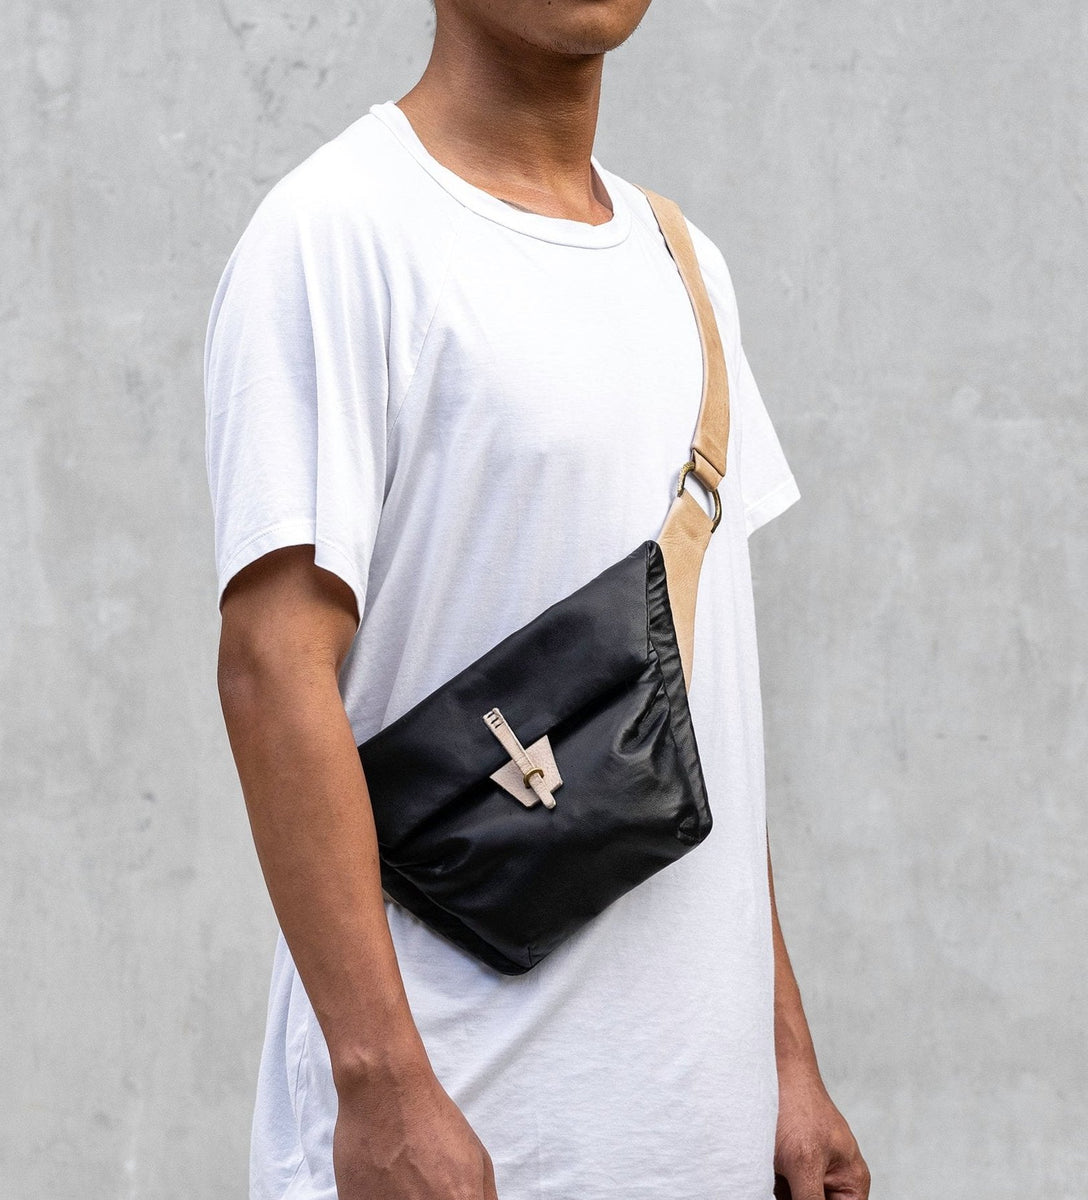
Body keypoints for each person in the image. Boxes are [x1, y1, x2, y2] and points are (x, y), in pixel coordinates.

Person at [203, 2, 871, 1197]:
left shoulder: (684, 262)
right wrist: (382, 1085)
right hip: (458, 1132)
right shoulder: (341, 231)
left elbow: (699, 710)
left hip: (698, 1139)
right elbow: (271, 668)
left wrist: (788, 1065)